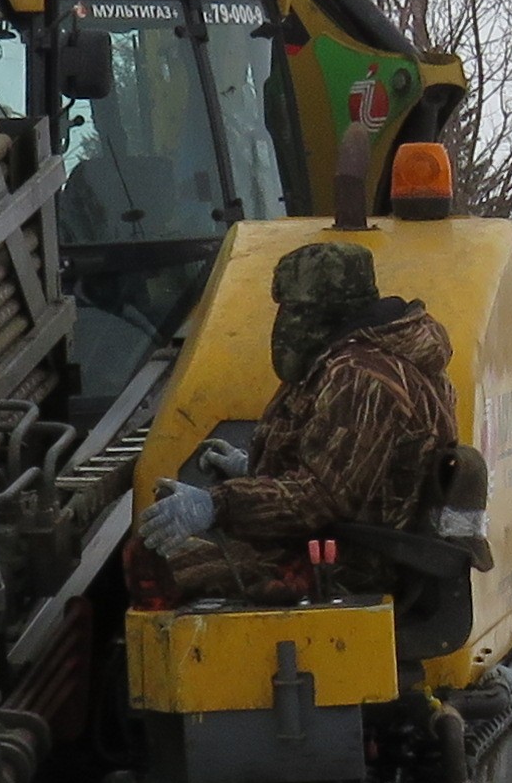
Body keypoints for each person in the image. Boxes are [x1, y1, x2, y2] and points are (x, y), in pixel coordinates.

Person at [140, 241, 460, 604]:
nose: (284, 321)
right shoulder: (366, 355)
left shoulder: (361, 376)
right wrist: (255, 469)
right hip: (338, 546)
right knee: (161, 558)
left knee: (151, 570)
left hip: (347, 566)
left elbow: (320, 498)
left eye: (293, 309)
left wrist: (217, 504)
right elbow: (351, 471)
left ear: (323, 310)